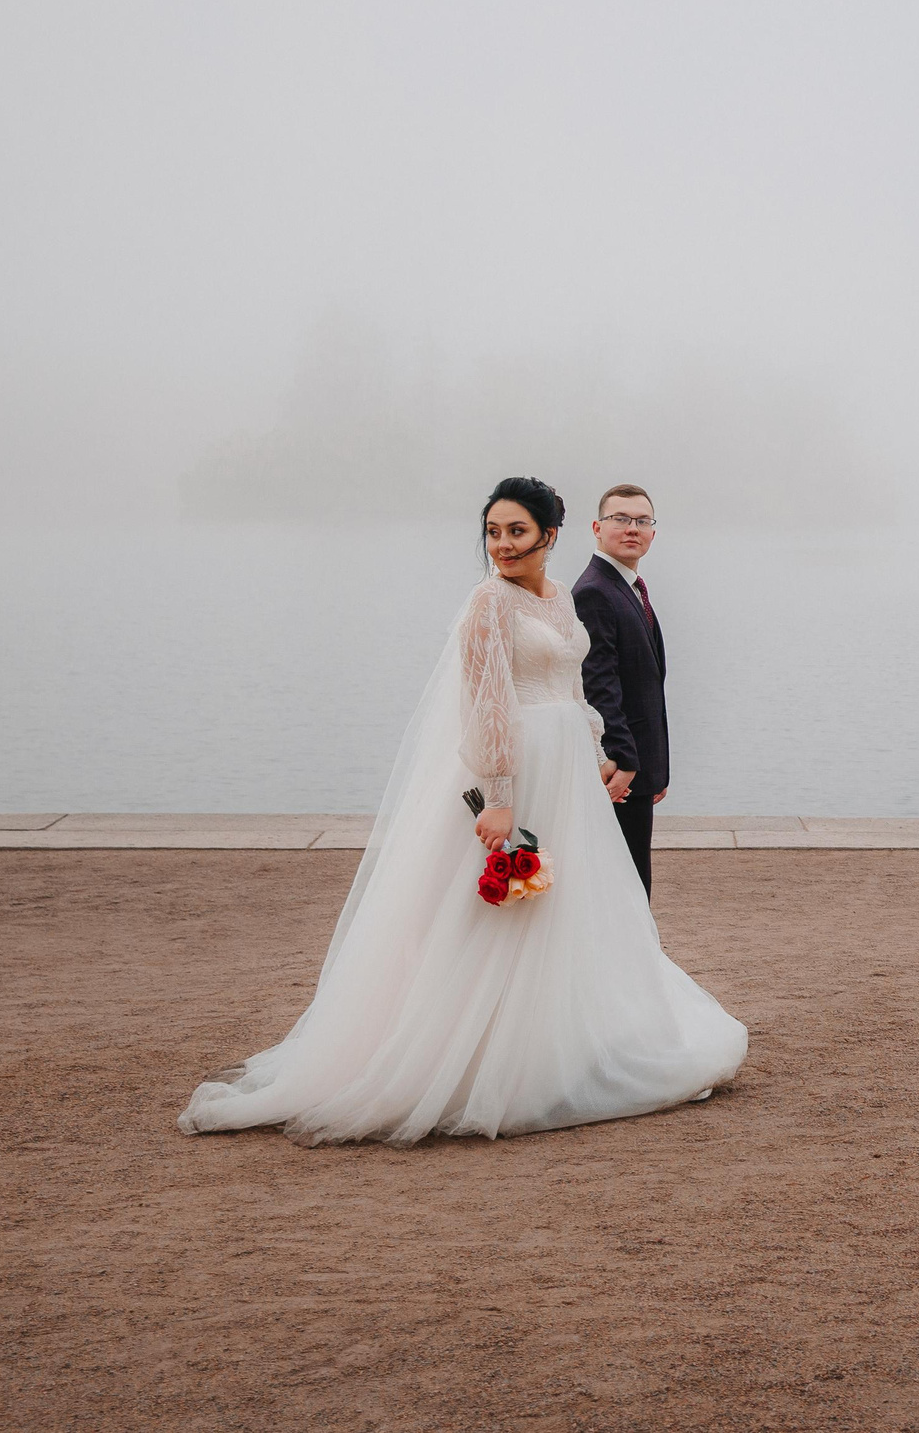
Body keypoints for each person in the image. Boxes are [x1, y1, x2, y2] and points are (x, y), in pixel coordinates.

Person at [178, 477, 745, 1145]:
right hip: (517, 769)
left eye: (517, 531)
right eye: (493, 531)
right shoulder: (486, 605)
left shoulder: (561, 598)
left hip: (566, 768)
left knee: (571, 909)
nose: (502, 544)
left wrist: (594, 756)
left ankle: (565, 1045)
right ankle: (487, 1059)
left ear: (550, 537)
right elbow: (486, 704)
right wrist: (500, 800)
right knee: (504, 913)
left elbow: (570, 684)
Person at [573, 484, 668, 897]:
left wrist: (655, 765)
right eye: (620, 519)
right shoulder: (595, 591)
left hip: (638, 765)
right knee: (626, 885)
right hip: (619, 772)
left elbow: (645, 685)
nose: (632, 529)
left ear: (653, 532)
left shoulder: (627, 586)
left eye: (642, 521)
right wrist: (625, 760)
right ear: (597, 527)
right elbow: (599, 685)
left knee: (632, 878)